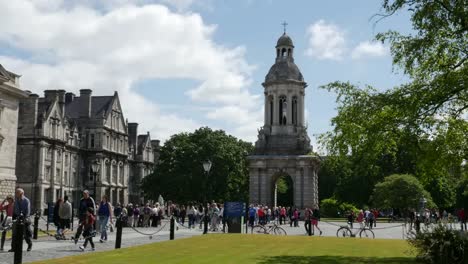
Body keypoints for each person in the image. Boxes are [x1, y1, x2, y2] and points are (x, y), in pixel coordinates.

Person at [11, 188, 33, 252]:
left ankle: (29, 244)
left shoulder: (26, 201)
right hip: (17, 218)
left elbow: (28, 211)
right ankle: (13, 247)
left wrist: (25, 218)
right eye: (16, 192)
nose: (16, 194)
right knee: (15, 234)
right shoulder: (16, 201)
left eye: (17, 193)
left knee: (26, 234)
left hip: (25, 219)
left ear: (22, 193)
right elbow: (15, 210)